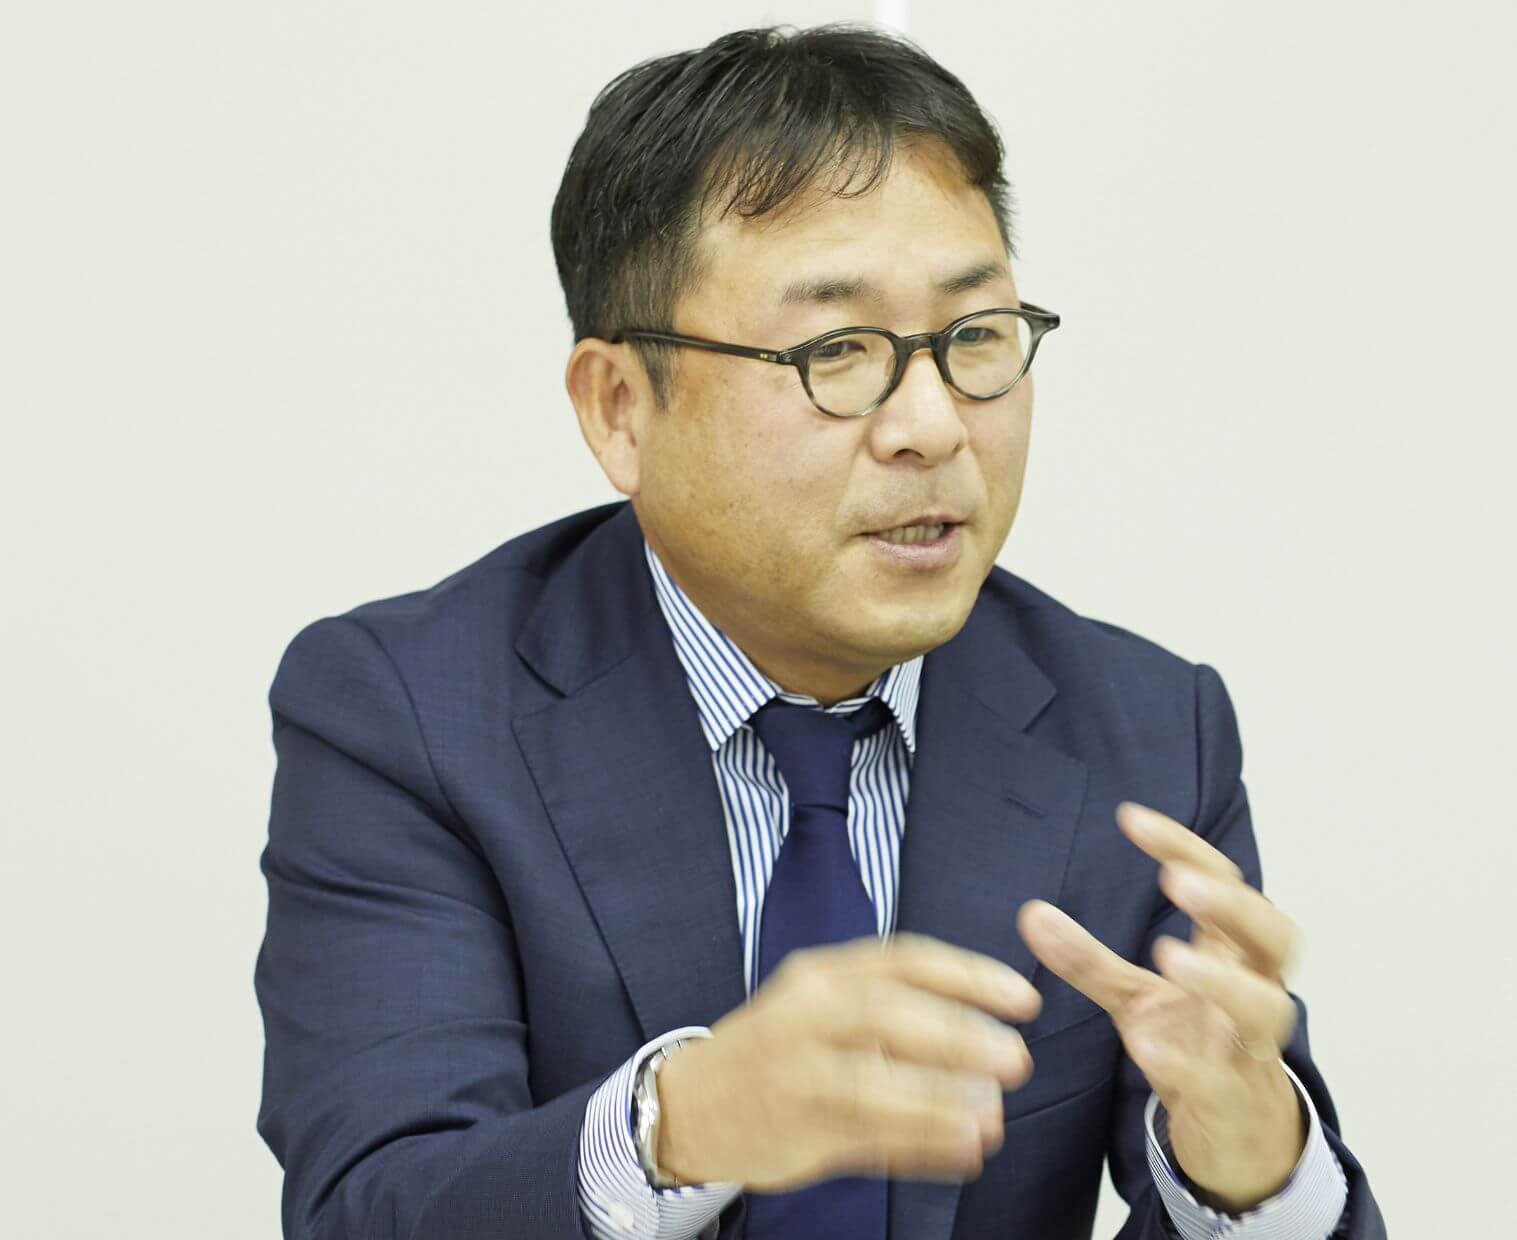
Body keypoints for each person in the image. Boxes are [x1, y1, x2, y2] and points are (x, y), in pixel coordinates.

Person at [253, 22, 1384, 1240]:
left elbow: (1236, 1147)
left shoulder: (1147, 731)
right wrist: (684, 1122)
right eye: (837, 350)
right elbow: (372, 1207)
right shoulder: (411, 714)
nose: (931, 426)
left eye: (975, 336)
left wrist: (1247, 1170)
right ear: (621, 406)